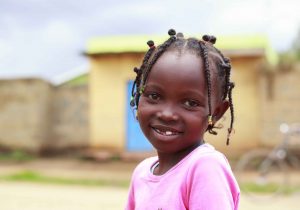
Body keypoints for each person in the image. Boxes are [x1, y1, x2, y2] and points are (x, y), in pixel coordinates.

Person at [125, 29, 240, 210]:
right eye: (154, 96)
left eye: (189, 102)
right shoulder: (141, 172)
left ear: (216, 113)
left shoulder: (204, 168)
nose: (167, 114)